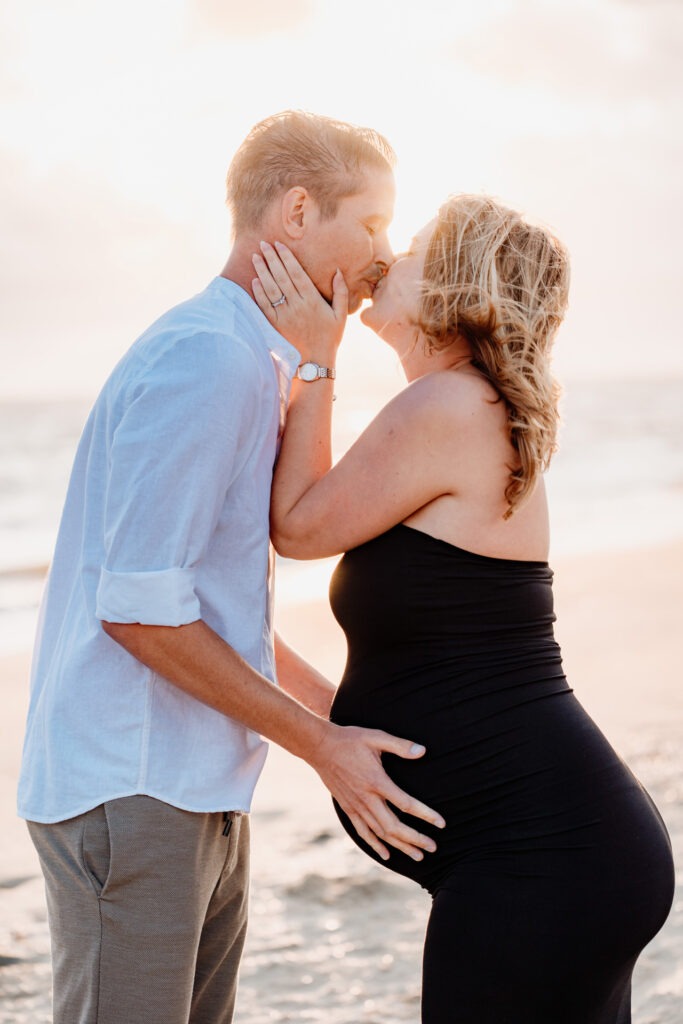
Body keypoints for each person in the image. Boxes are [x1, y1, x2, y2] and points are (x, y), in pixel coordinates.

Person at [17, 111, 446, 1024]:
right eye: (369, 223)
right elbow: (136, 613)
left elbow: (207, 607)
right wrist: (320, 746)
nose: (386, 250)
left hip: (190, 784)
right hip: (129, 788)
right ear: (296, 213)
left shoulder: (254, 361)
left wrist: (345, 719)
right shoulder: (208, 360)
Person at [251, 193, 675, 1023]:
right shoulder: (473, 408)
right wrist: (322, 730)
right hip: (565, 855)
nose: (385, 258)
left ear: (453, 282)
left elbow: (297, 527)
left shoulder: (449, 406)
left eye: (408, 247)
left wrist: (314, 358)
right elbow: (437, 661)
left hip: (546, 861)